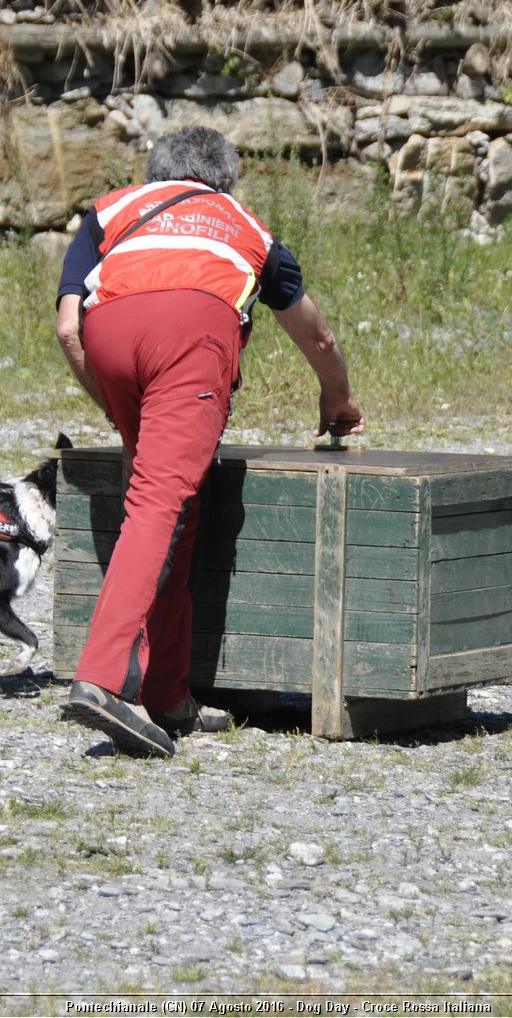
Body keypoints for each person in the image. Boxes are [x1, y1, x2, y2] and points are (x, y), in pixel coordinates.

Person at [54, 126, 365, 758]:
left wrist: (118, 411)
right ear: (226, 180)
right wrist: (338, 398)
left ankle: (170, 693)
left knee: (177, 510)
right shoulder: (246, 226)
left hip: (109, 336)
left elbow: (67, 328)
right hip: (190, 337)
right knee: (158, 504)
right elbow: (319, 338)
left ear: (153, 175)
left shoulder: (110, 211)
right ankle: (103, 678)